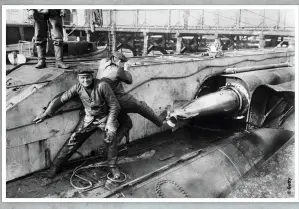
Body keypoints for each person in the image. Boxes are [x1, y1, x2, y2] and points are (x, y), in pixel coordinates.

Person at [33, 68, 126, 179]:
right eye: (82, 78)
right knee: (73, 140)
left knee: (111, 138)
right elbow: (61, 99)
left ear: (92, 77)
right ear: (78, 78)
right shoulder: (77, 87)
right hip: (88, 119)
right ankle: (55, 166)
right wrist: (45, 114)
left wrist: (110, 123)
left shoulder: (102, 85)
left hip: (105, 118)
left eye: (88, 77)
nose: (85, 80)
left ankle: (113, 166)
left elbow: (115, 105)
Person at [98, 52, 168, 132]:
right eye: (122, 62)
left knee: (126, 123)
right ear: (119, 61)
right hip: (115, 100)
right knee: (141, 105)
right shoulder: (119, 71)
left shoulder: (103, 63)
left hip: (102, 101)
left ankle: (113, 144)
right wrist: (126, 69)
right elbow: (129, 80)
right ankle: (159, 122)